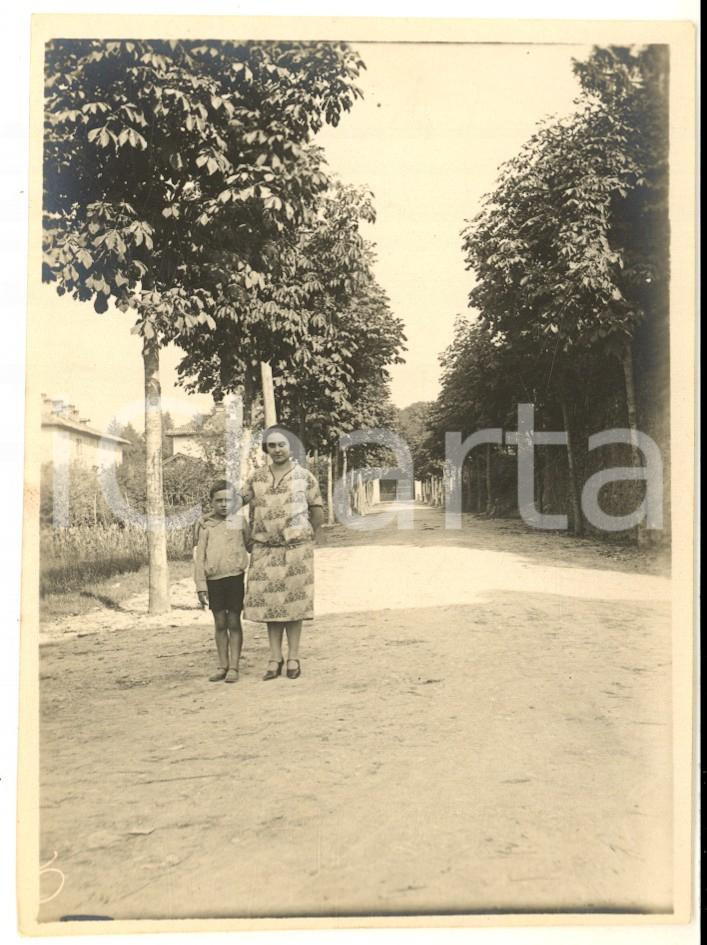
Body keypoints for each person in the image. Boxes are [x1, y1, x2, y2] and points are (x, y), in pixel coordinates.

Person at [241, 425, 325, 680]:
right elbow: (233, 503)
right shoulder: (256, 478)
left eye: (282, 445)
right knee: (271, 605)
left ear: (291, 447)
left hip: (296, 551)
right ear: (266, 449)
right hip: (265, 551)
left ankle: (293, 657)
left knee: (293, 605)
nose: (277, 450)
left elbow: (317, 511)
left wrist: (307, 537)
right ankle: (274, 657)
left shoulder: (305, 477)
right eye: (272, 445)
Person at [194, 480, 251, 683]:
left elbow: (251, 546)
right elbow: (199, 557)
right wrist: (200, 585)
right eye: (218, 500)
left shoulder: (239, 522)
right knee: (220, 623)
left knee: (234, 621)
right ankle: (222, 665)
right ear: (211, 502)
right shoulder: (205, 525)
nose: (224, 504)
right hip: (213, 580)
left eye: (228, 500)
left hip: (235, 578)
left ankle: (234, 667)